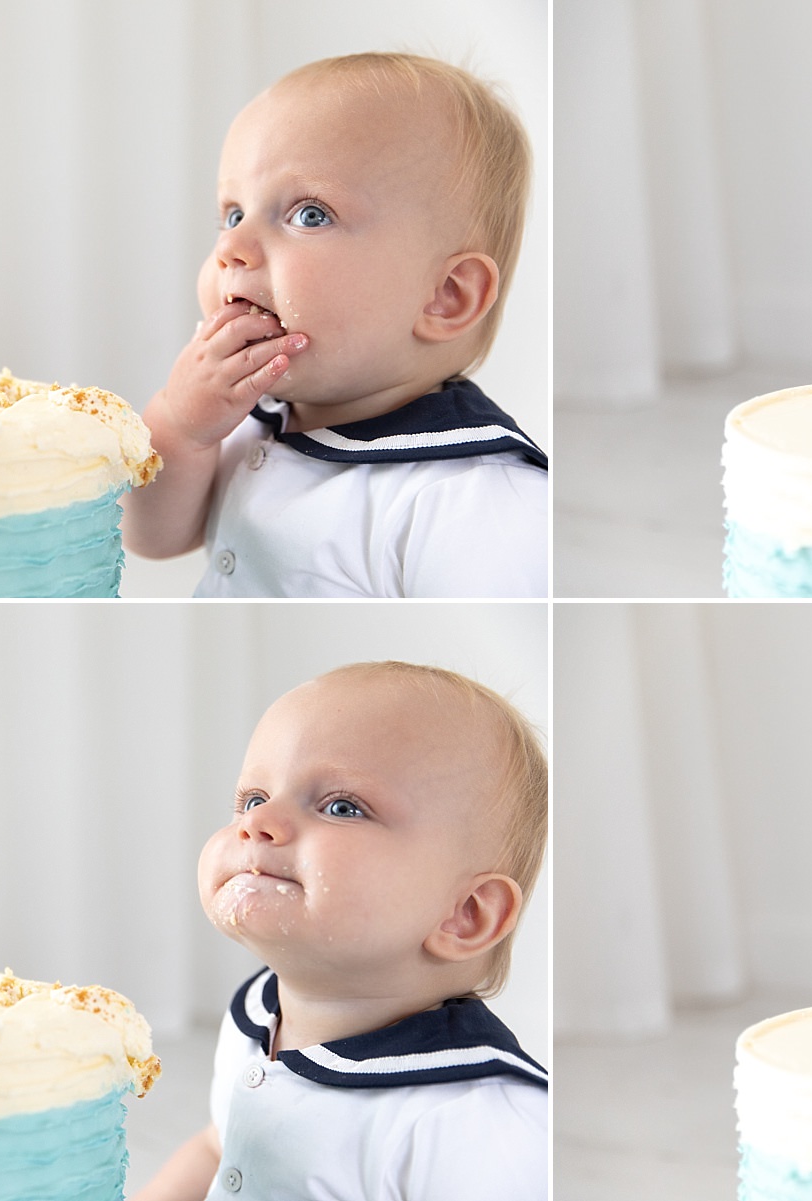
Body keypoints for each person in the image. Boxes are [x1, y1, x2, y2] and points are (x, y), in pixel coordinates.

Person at [122, 54, 547, 596]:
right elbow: (153, 537)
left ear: (444, 297)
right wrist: (182, 427)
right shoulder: (253, 419)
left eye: (310, 214)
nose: (231, 247)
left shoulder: (474, 501)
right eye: (233, 214)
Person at [132, 661, 548, 1200]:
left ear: (464, 914)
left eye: (342, 807)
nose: (256, 823)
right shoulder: (257, 1015)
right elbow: (218, 1149)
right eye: (254, 798)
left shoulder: (472, 1123)